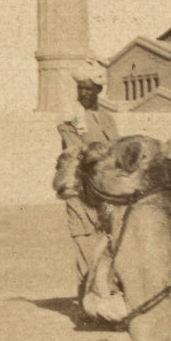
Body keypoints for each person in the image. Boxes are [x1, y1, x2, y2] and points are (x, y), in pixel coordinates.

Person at [56, 61, 121, 320]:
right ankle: (88, 308)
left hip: (105, 194)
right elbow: (79, 152)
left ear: (98, 90)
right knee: (85, 244)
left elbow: (115, 150)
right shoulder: (71, 118)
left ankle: (106, 301)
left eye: (88, 89)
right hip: (80, 192)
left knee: (108, 245)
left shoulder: (106, 118)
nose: (82, 94)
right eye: (80, 88)